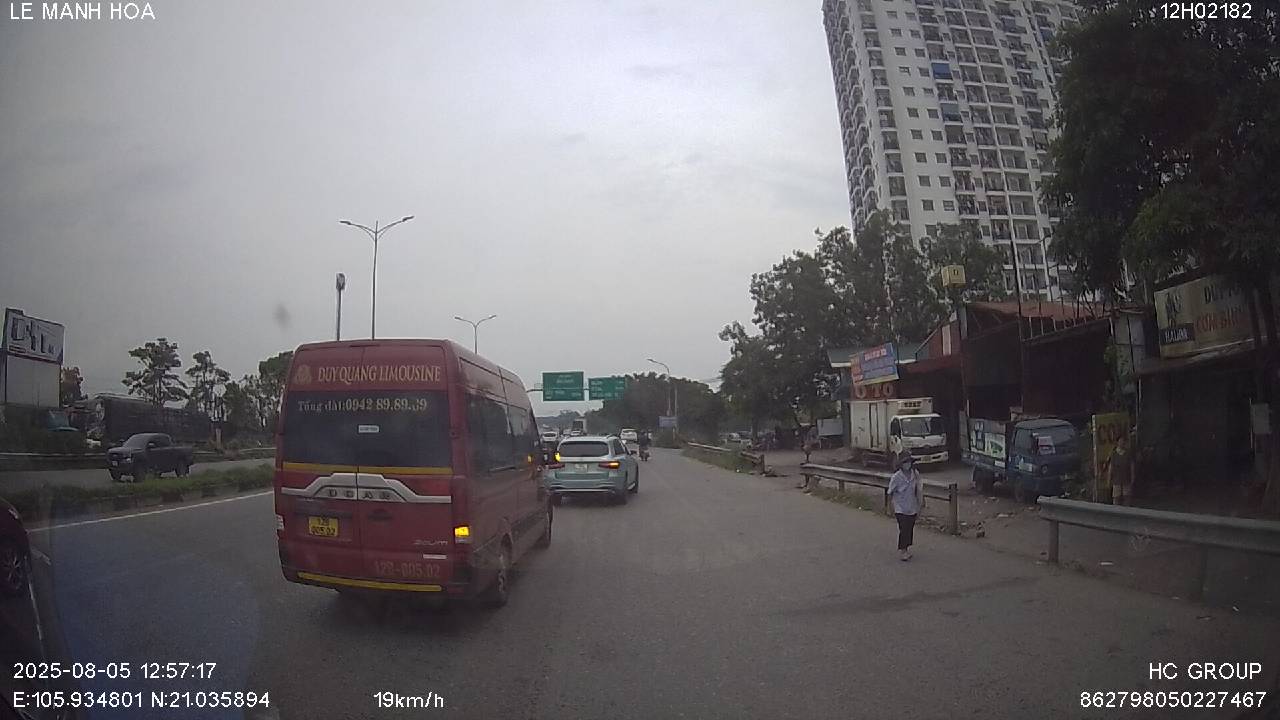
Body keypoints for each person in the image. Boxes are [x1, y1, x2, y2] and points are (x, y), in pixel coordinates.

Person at [887, 452, 924, 561]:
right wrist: (890, 507)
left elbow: (919, 489)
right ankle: (903, 550)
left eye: (908, 462)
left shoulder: (915, 474)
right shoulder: (896, 477)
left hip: (912, 506)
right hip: (900, 507)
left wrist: (921, 502)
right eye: (905, 462)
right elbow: (890, 492)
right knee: (904, 528)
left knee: (910, 528)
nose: (907, 464)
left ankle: (906, 548)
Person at [1109, 432, 1134, 506]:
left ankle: (1126, 510)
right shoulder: (1114, 454)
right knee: (1116, 497)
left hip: (1126, 477)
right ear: (1117, 442)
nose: (1122, 443)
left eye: (1123, 441)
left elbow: (1131, 465)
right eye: (1120, 441)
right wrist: (1109, 478)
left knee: (1127, 496)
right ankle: (1116, 511)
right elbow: (1111, 466)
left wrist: (1133, 475)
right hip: (1116, 478)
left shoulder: (1128, 453)